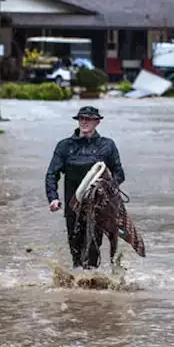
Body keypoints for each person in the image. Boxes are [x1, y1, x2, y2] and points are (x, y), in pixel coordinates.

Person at [45, 106, 126, 269]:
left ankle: (90, 283)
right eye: (81, 118)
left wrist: (107, 188)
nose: (84, 122)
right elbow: (52, 174)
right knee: (75, 247)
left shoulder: (107, 145)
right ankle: (77, 282)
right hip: (72, 205)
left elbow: (119, 174)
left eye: (88, 119)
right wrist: (53, 198)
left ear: (97, 122)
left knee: (92, 248)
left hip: (97, 205)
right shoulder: (64, 146)